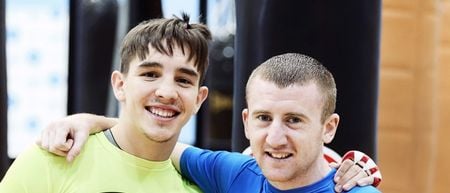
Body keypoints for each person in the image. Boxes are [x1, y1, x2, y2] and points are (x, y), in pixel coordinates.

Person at [33, 53, 381, 192]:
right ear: (246, 122)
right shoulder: (234, 173)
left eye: (294, 120)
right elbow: (159, 142)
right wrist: (89, 121)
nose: (275, 137)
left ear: (328, 128)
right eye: (263, 118)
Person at [0, 14, 211, 192]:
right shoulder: (50, 159)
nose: (166, 93)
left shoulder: (201, 187)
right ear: (120, 85)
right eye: (150, 74)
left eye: (183, 80)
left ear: (198, 99)